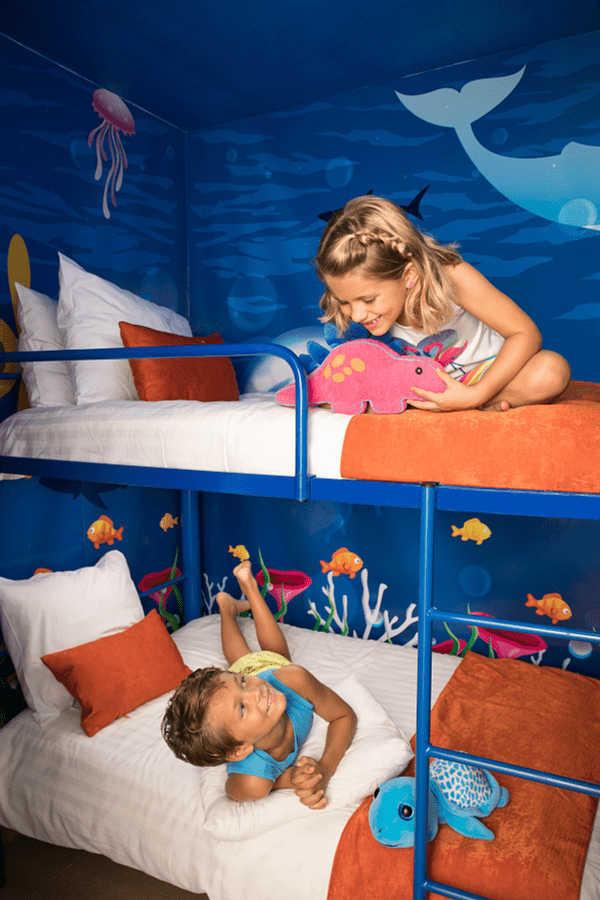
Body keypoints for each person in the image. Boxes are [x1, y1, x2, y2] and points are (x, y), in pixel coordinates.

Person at [316, 195, 570, 412]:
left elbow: (525, 333)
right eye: (344, 302)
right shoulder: (355, 307)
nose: (357, 314)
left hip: (482, 377)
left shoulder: (452, 276)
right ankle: (444, 409)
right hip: (415, 390)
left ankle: (469, 406)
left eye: (368, 299)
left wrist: (473, 396)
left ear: (409, 275)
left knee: (551, 371)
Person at [162, 560, 357, 809]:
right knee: (240, 659)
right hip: (245, 677)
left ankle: (250, 588)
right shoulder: (252, 773)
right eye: (242, 709)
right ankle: (227, 606)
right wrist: (287, 779)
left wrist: (325, 770)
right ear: (239, 751)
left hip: (266, 667)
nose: (256, 691)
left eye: (242, 684)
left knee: (272, 655)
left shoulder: (291, 680)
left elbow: (344, 715)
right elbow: (235, 789)